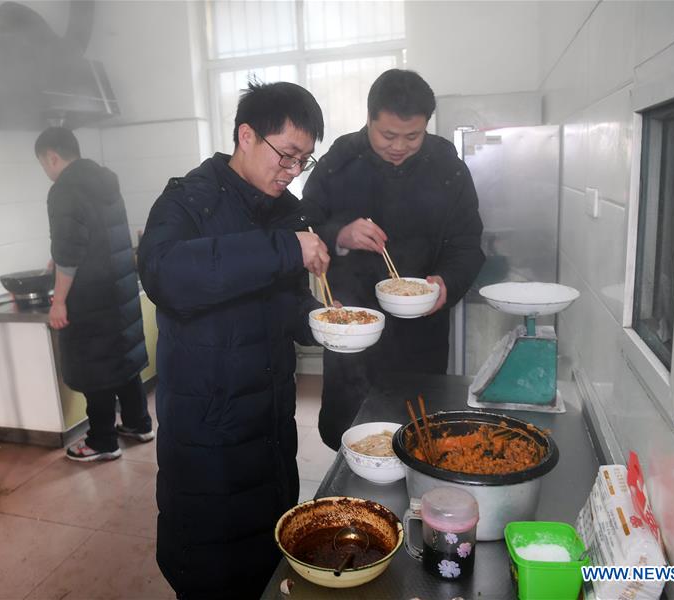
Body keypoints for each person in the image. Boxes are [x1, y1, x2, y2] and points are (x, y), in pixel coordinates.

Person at [138, 81, 329, 599]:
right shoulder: (188, 199)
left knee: (268, 556)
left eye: (303, 161)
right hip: (208, 430)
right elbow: (166, 276)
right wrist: (284, 248)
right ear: (246, 135)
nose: (292, 172)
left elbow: (285, 303)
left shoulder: (283, 209)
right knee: (209, 565)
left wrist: (323, 324)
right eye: (286, 155)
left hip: (268, 422)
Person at [302, 69, 485, 451]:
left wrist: (447, 284)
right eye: (388, 135)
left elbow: (468, 245)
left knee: (419, 435)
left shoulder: (447, 168)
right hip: (353, 324)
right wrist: (340, 235)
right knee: (348, 433)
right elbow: (304, 224)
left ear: (427, 126)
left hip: (420, 332)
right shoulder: (339, 161)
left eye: (413, 136)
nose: (399, 146)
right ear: (368, 119)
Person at [35, 127, 154, 462]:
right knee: (123, 359)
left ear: (52, 157)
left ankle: (102, 440)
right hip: (117, 287)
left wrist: (58, 301)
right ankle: (138, 423)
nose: (46, 171)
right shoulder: (104, 181)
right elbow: (91, 234)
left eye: (44, 164)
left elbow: (71, 251)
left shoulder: (64, 190)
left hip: (89, 296)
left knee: (95, 368)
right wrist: (58, 255)